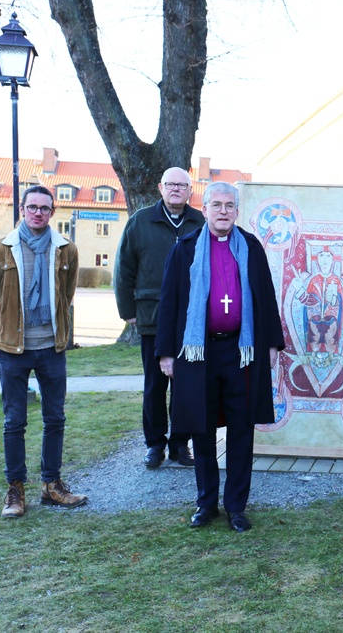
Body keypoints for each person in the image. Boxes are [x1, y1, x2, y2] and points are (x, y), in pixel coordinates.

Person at [155, 182, 284, 532]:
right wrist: (167, 352)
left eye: (229, 205)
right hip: (199, 352)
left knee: (242, 428)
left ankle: (236, 506)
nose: (223, 211)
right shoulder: (185, 249)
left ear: (237, 210)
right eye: (216, 204)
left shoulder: (252, 248)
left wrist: (272, 344)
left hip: (242, 351)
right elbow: (169, 303)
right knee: (202, 427)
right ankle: (206, 503)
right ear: (205, 209)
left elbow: (266, 298)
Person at [0, 186, 88, 518]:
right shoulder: (2, 249)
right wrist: (10, 325)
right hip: (14, 348)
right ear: (22, 210)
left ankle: (51, 485)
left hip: (51, 347)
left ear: (52, 213)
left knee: (55, 418)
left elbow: (65, 296)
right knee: (15, 420)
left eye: (45, 208)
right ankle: (16, 490)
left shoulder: (65, 250)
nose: (38, 213)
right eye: (33, 207)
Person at [114, 166, 205, 469]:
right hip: (152, 316)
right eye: (171, 184)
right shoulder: (140, 222)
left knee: (185, 385)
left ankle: (180, 444)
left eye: (182, 185)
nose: (176, 189)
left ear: (190, 190)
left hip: (192, 320)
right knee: (155, 385)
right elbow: (124, 269)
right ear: (160, 188)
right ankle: (155, 444)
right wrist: (128, 312)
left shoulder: (200, 222)